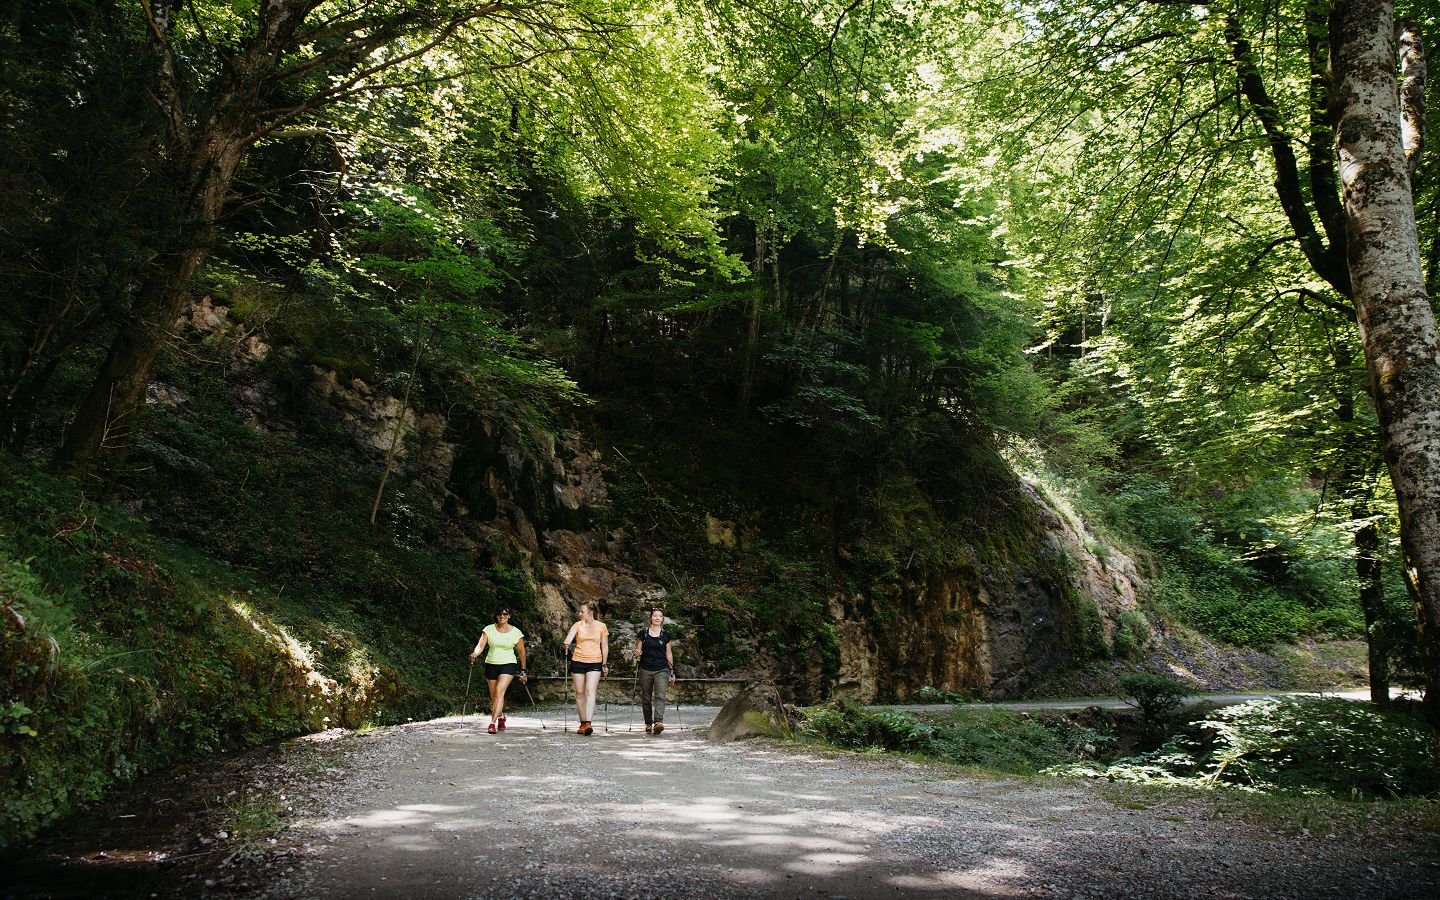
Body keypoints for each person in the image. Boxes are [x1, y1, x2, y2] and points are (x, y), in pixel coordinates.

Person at [468, 607, 526, 735]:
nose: (502, 616)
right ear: (496, 615)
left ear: (509, 615)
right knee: (494, 696)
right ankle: (501, 717)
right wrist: (474, 654)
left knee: (499, 692)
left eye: (505, 614)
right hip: (491, 664)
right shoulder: (488, 629)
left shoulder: (516, 632)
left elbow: (521, 652)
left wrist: (523, 670)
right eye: (499, 614)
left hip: (508, 664)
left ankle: (492, 723)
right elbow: (481, 645)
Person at [563, 600, 608, 735]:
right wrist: (566, 642)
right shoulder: (578, 625)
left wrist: (604, 664)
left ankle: (588, 722)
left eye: (582, 611)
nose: (579, 614)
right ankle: (583, 723)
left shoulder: (601, 626)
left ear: (591, 612)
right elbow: (569, 638)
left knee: (591, 691)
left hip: (595, 661)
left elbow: (604, 646)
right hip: (578, 661)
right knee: (579, 692)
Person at [632, 607, 675, 734]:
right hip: (645, 669)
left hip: (661, 669)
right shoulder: (643, 634)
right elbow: (637, 651)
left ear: (662, 619)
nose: (657, 618)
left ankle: (658, 722)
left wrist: (672, 671)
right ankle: (648, 723)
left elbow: (669, 654)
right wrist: (637, 653)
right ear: (651, 617)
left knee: (660, 696)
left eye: (660, 616)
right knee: (646, 697)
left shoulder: (666, 635)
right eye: (655, 615)